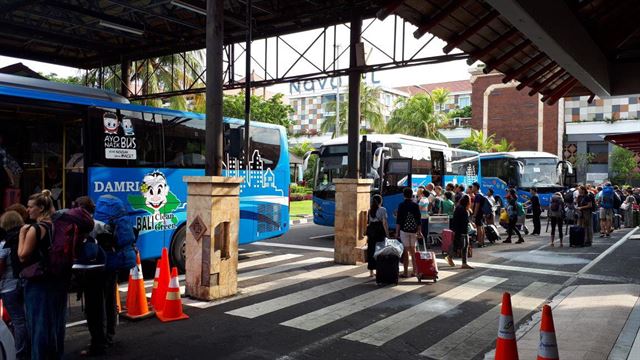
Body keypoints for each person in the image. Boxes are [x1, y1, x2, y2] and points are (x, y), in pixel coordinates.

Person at [18, 190, 67, 359]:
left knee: (38, 325)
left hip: (38, 281)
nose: (27, 210)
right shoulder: (54, 225)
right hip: (56, 278)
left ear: (40, 208)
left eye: (30, 207)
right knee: (55, 322)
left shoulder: (35, 229)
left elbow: (22, 255)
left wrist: (22, 234)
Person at [0, 210, 28, 359]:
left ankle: (18, 351)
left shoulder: (5, 244)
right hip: (22, 282)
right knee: (24, 318)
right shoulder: (21, 240)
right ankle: (26, 348)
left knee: (18, 321)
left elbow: (0, 267)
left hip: (8, 286)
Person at [396, 187, 421, 278]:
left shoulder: (401, 205)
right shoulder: (415, 205)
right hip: (413, 231)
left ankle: (405, 272)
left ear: (404, 195)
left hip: (404, 230)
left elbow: (398, 220)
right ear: (412, 195)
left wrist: (396, 232)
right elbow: (418, 219)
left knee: (406, 251)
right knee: (413, 251)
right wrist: (419, 231)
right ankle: (415, 271)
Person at [445, 194, 473, 269]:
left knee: (464, 246)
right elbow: (458, 221)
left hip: (462, 230)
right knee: (460, 246)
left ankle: (464, 263)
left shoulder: (461, 208)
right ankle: (450, 257)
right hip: (461, 231)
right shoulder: (461, 209)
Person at [366, 194, 388, 278]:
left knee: (371, 250)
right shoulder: (382, 209)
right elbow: (384, 223)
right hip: (379, 231)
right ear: (380, 201)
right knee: (380, 250)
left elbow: (369, 222)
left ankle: (371, 271)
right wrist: (387, 234)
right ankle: (379, 269)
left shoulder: (370, 210)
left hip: (372, 231)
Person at [471, 182, 486, 247]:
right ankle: (482, 242)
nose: (472, 188)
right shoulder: (481, 194)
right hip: (482, 213)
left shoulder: (477, 196)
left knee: (479, 228)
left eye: (473, 187)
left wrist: (474, 215)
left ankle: (480, 243)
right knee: (482, 227)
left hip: (478, 214)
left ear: (476, 187)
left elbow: (477, 205)